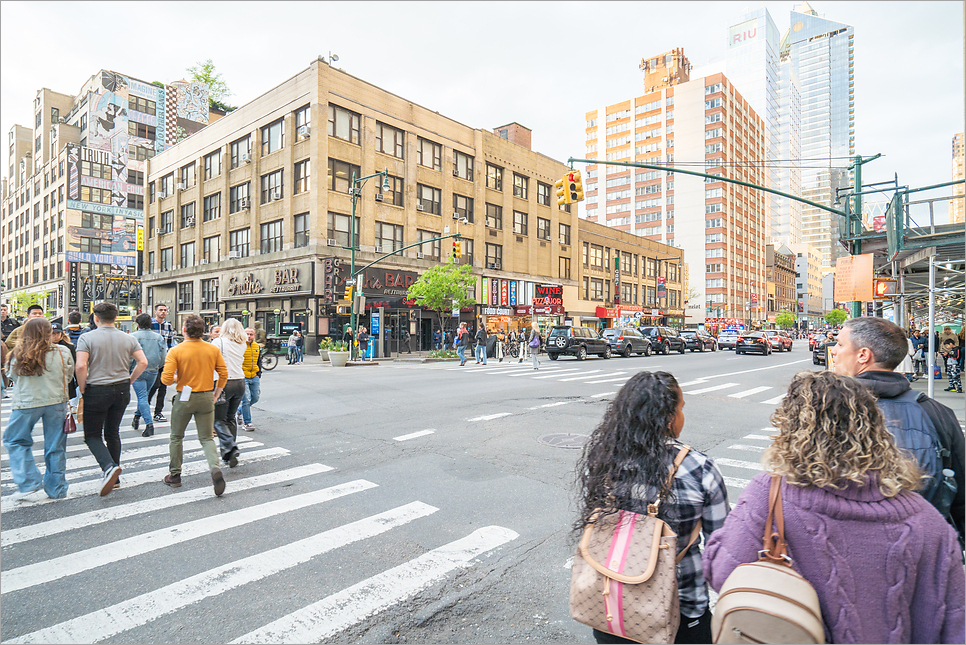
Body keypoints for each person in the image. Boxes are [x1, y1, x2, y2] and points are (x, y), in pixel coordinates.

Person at [703, 370, 965, 645]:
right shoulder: (929, 524)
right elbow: (955, 627)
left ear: (791, 429)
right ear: (877, 430)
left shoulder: (769, 495)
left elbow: (722, 573)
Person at [575, 371, 730, 644]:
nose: (683, 415)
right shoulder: (699, 469)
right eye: (681, 408)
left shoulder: (604, 459)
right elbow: (722, 550)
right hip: (681, 615)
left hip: (612, 610)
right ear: (669, 418)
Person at [832, 316, 965, 541]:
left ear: (863, 355)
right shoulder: (937, 412)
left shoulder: (828, 410)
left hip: (846, 551)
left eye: (840, 344)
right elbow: (960, 493)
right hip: (921, 545)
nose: (834, 351)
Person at [75, 302, 148, 496]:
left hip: (96, 388)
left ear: (95, 318)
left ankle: (108, 468)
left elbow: (81, 366)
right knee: (112, 433)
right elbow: (143, 362)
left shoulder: (86, 338)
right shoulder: (128, 338)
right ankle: (115, 476)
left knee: (92, 435)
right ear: (115, 318)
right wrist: (130, 379)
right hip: (122, 388)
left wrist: (82, 388)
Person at [2, 318, 73, 501]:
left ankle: (29, 481)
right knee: (56, 446)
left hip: (27, 401)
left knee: (14, 440)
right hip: (56, 400)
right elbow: (69, 375)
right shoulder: (62, 351)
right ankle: (56, 489)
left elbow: (12, 377)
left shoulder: (18, 353)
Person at [160, 314, 228, 495]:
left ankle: (175, 475)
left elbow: (166, 379)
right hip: (206, 396)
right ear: (203, 331)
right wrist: (216, 393)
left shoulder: (175, 351)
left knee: (176, 436)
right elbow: (223, 374)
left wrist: (179, 377)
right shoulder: (212, 350)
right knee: (206, 438)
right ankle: (214, 467)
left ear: (184, 330)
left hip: (184, 396)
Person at [211, 318, 248, 468]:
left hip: (223, 382)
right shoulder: (242, 344)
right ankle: (229, 451)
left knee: (218, 419)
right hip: (240, 382)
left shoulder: (218, 342)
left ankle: (229, 448)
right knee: (231, 417)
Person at [130, 314, 167, 438]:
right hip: (153, 369)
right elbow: (163, 356)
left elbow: (129, 357)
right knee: (144, 396)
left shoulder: (133, 337)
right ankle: (136, 416)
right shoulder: (158, 337)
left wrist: (129, 369)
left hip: (137, 370)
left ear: (138, 324)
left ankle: (148, 423)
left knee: (142, 396)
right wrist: (158, 365)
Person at [149, 303, 175, 423]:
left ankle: (158, 412)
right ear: (155, 312)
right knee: (154, 385)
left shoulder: (168, 326)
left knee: (163, 387)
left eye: (165, 310)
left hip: (164, 360)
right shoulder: (150, 324)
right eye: (160, 310)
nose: (163, 312)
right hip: (153, 360)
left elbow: (170, 343)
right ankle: (144, 407)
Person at [50, 323, 78, 409]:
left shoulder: (69, 347)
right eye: (52, 333)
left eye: (57, 333)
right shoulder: (43, 347)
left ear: (62, 334)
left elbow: (74, 364)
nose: (55, 336)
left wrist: (78, 381)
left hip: (65, 379)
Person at [240, 327, 261, 431]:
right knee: (246, 399)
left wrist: (258, 373)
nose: (249, 336)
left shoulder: (257, 346)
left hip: (254, 375)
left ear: (254, 336)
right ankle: (247, 422)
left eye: (251, 334)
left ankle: (239, 411)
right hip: (243, 376)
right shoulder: (240, 346)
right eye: (247, 334)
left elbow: (259, 360)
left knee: (255, 397)